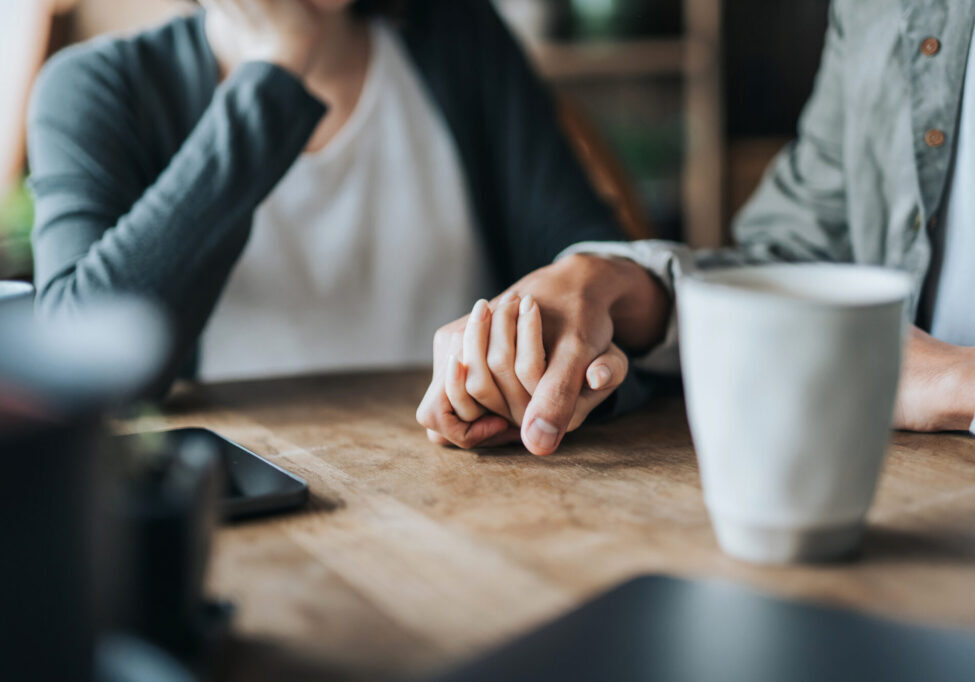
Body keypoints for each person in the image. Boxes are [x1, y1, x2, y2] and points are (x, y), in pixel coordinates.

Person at [27, 0, 669, 417]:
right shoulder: (94, 87)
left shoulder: (458, 38)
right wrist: (276, 71)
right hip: (237, 505)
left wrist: (550, 361)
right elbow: (84, 361)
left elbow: (586, 258)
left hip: (472, 472)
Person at [419, 0, 975, 453]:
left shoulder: (454, 36)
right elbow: (790, 260)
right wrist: (633, 291)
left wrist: (958, 380)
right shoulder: (879, 10)